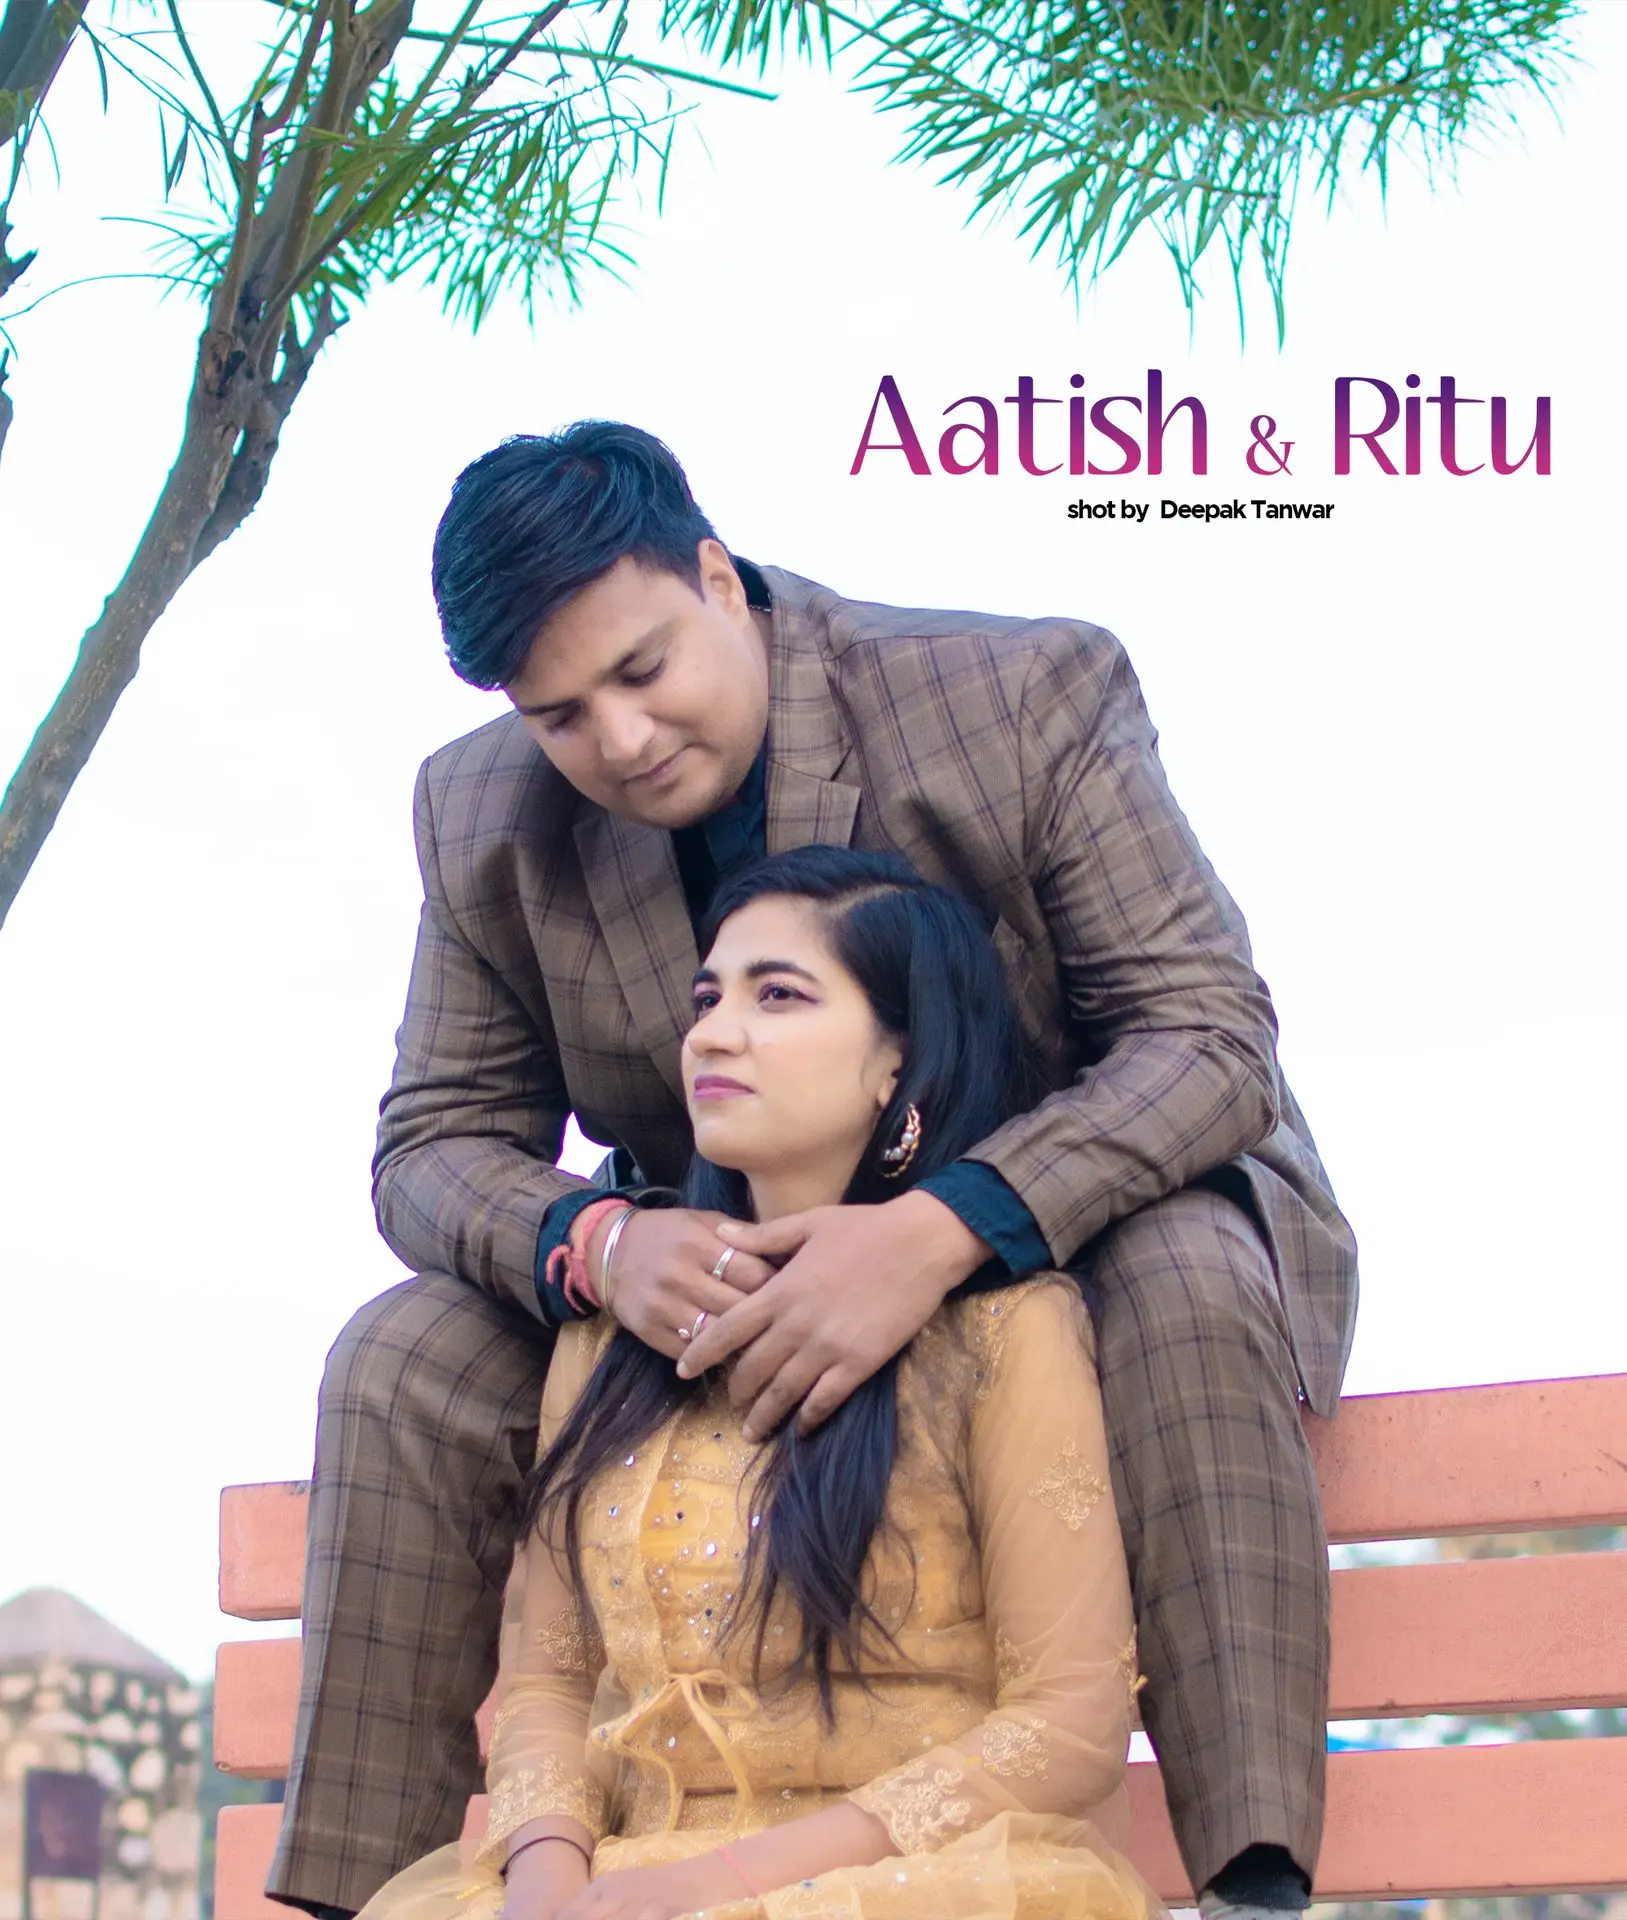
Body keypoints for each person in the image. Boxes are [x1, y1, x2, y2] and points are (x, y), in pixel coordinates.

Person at [268, 422, 1357, 1920]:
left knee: (1175, 1269)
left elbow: (1206, 1035)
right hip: (718, 1263)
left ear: (717, 576)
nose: (621, 742)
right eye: (562, 715)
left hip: (1077, 1205)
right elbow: (432, 1143)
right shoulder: (479, 815)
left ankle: (1254, 1888)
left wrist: (936, 1233)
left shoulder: (1013, 694)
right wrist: (598, 1242)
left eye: (643, 671)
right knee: (399, 1352)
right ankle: (353, 1899)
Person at [353, 845, 1165, 1920]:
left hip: (912, 1890)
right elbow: (547, 1683)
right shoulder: (611, 1345)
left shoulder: (1006, 1331)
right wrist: (547, 1881)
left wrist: (718, 1888)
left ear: (898, 1062)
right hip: (621, 1890)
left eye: (777, 995)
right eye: (707, 997)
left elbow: (1066, 1723)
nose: (713, 1032)